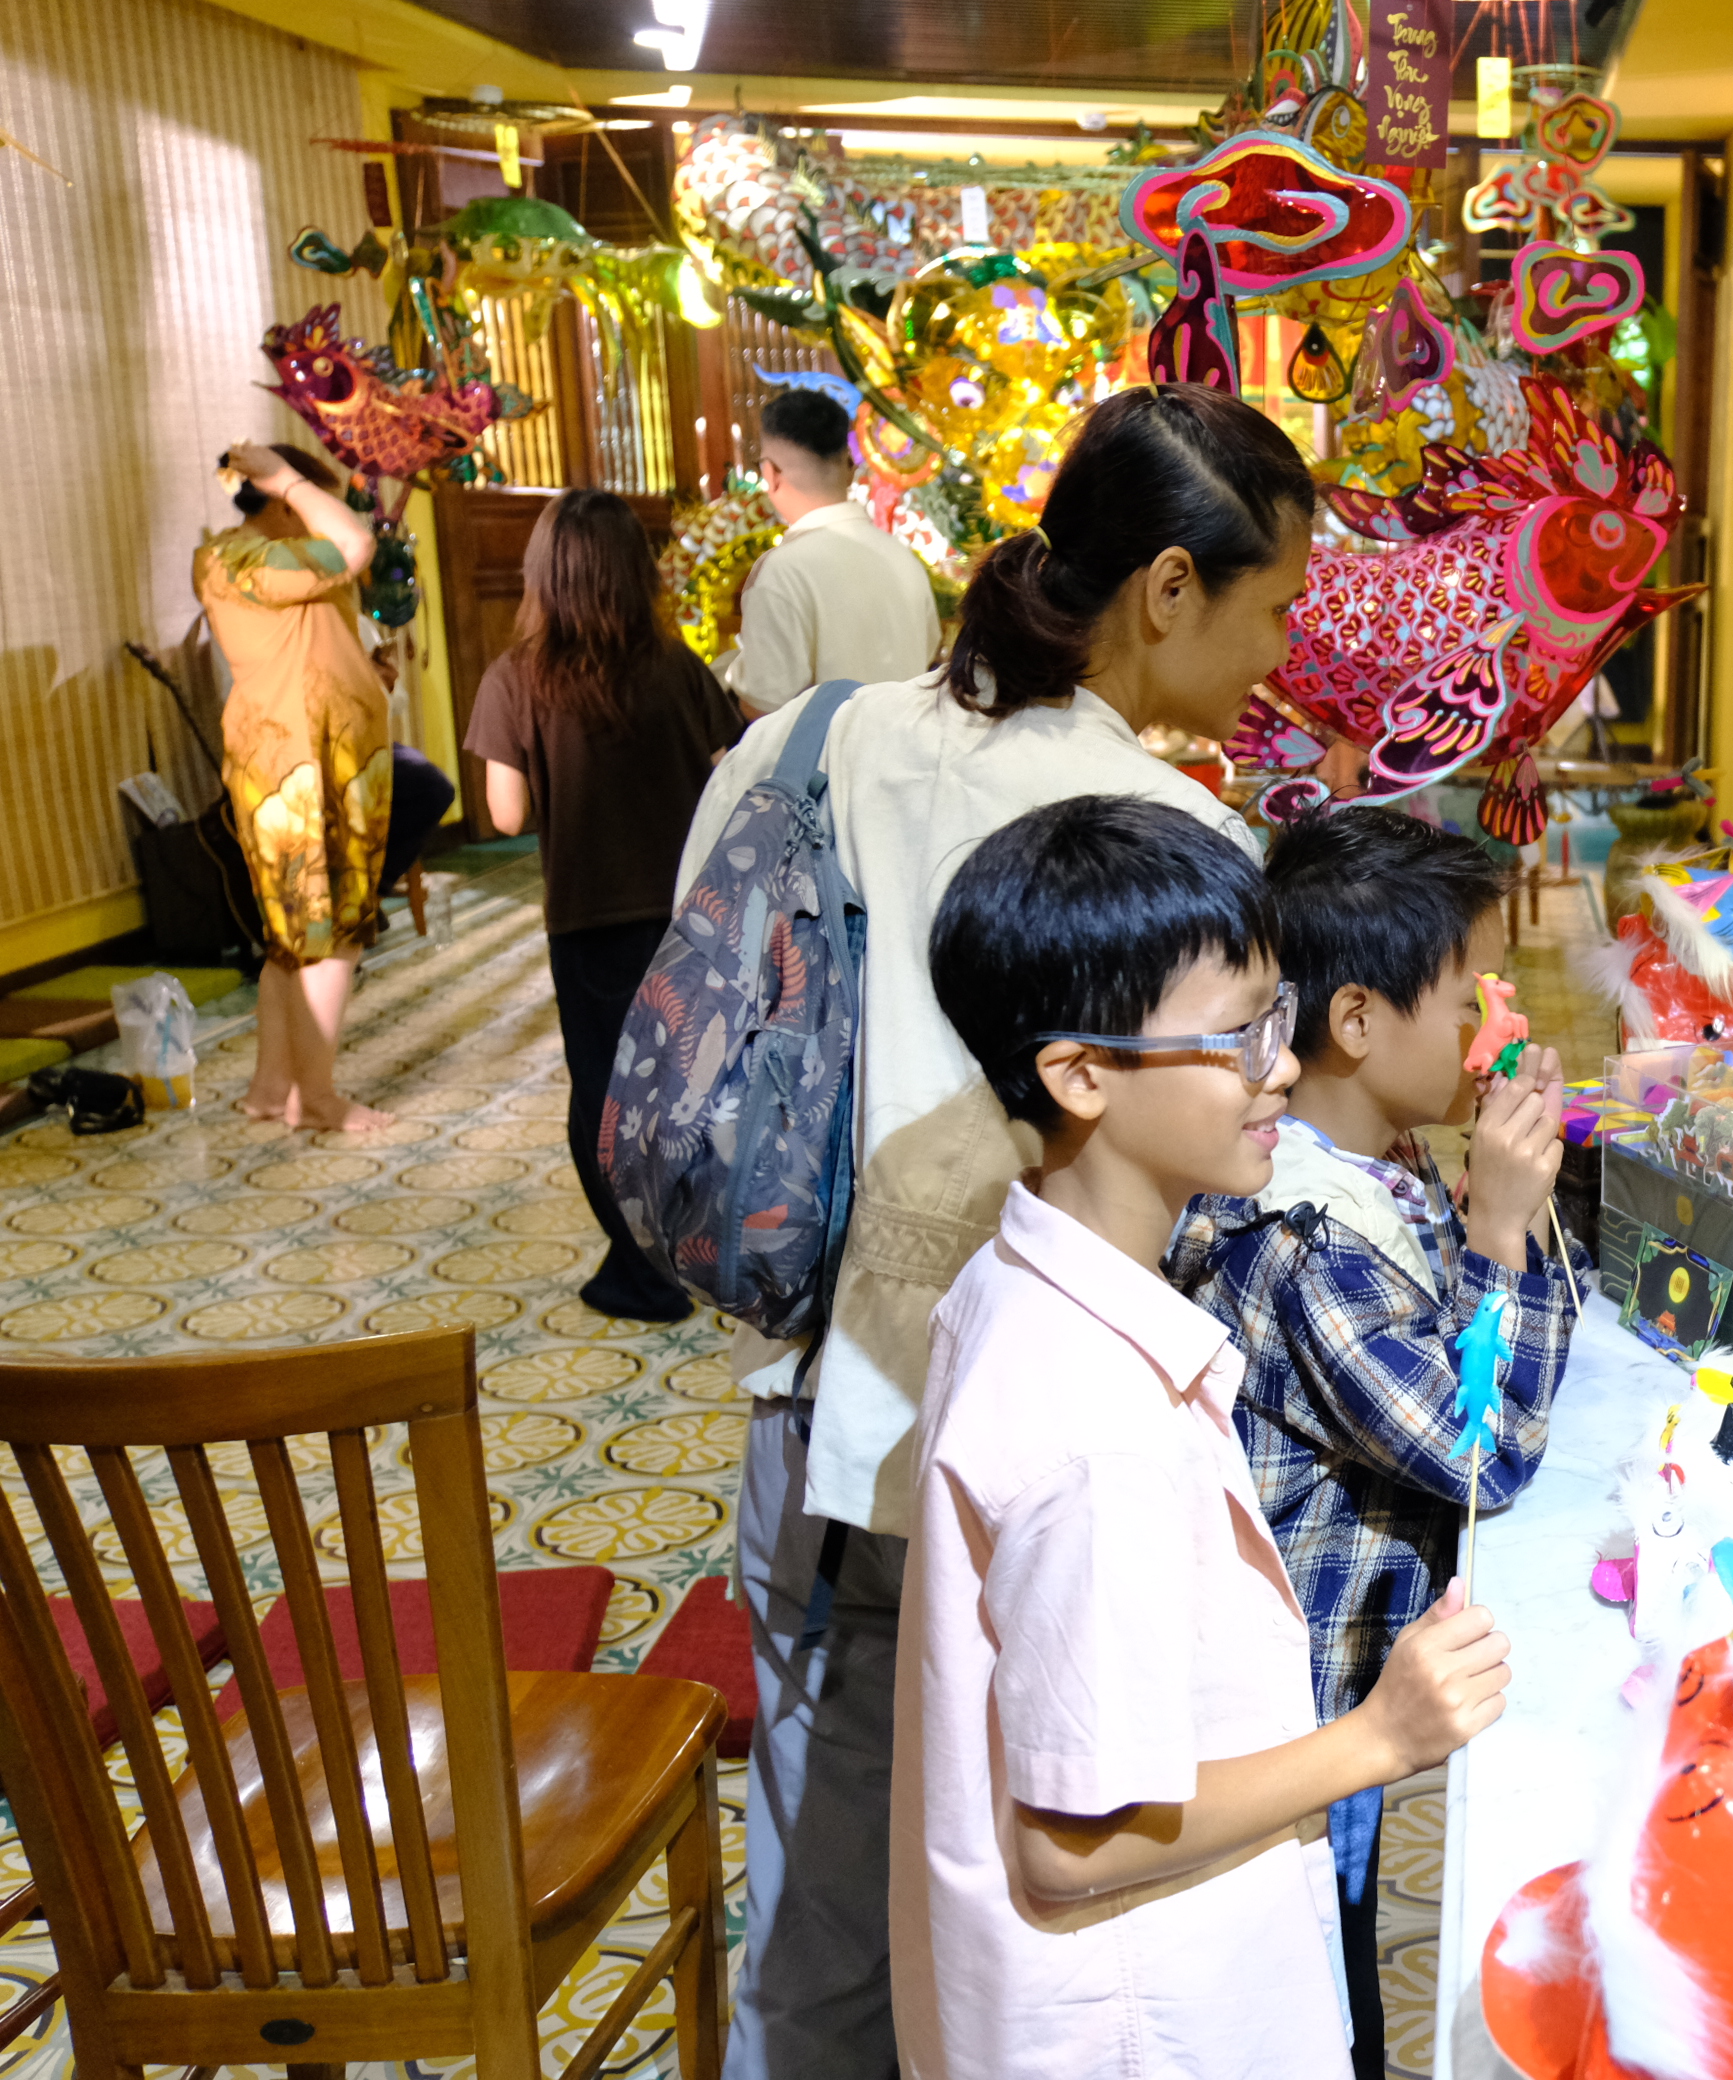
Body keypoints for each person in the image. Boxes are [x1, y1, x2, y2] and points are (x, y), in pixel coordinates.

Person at [674, 384, 1317, 2080]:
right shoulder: (1165, 849)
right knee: (1032, 1908)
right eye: (1274, 611)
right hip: (1053, 1443)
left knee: (815, 1928)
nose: (1280, 656)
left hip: (828, 1419)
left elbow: (710, 1025)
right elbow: (1234, 1144)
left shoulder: (803, 738)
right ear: (1169, 591)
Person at [895, 794, 1509, 2079]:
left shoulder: (1031, 1280)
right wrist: (1381, 1737)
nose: (1278, 1068)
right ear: (1079, 1074)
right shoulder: (1092, 1423)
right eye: (1237, 1036)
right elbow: (1078, 1839)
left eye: (1275, 1022)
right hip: (1137, 2027)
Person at [1165, 806, 1576, 2075]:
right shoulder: (1302, 1236)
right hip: (1286, 1728)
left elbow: (1507, 1382)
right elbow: (1483, 1453)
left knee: (1335, 1967)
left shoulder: (1379, 1160)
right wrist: (1500, 1232)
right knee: (1315, 1991)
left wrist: (1506, 1225)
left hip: (1336, 1699)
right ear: (1354, 1022)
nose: (1494, 1028)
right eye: (1470, 1001)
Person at [464, 489, 744, 1323]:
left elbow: (507, 814)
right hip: (684, 920)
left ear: (543, 575)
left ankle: (640, 1272)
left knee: (603, 1099)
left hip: (586, 919)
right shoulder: (676, 666)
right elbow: (732, 770)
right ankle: (697, 1249)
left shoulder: (516, 678)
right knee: (682, 1089)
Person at [197, 440, 390, 1131]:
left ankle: (273, 1087)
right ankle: (318, 1096)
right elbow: (355, 544)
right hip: (301, 775)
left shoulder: (259, 560)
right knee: (331, 933)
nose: (324, 513)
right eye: (313, 498)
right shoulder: (244, 557)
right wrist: (287, 481)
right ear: (285, 499)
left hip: (309, 767)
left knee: (292, 939)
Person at [724, 389, 941, 717]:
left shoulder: (782, 571)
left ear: (771, 474)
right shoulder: (903, 558)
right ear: (851, 467)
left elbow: (763, 707)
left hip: (826, 767)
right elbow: (927, 661)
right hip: (906, 761)